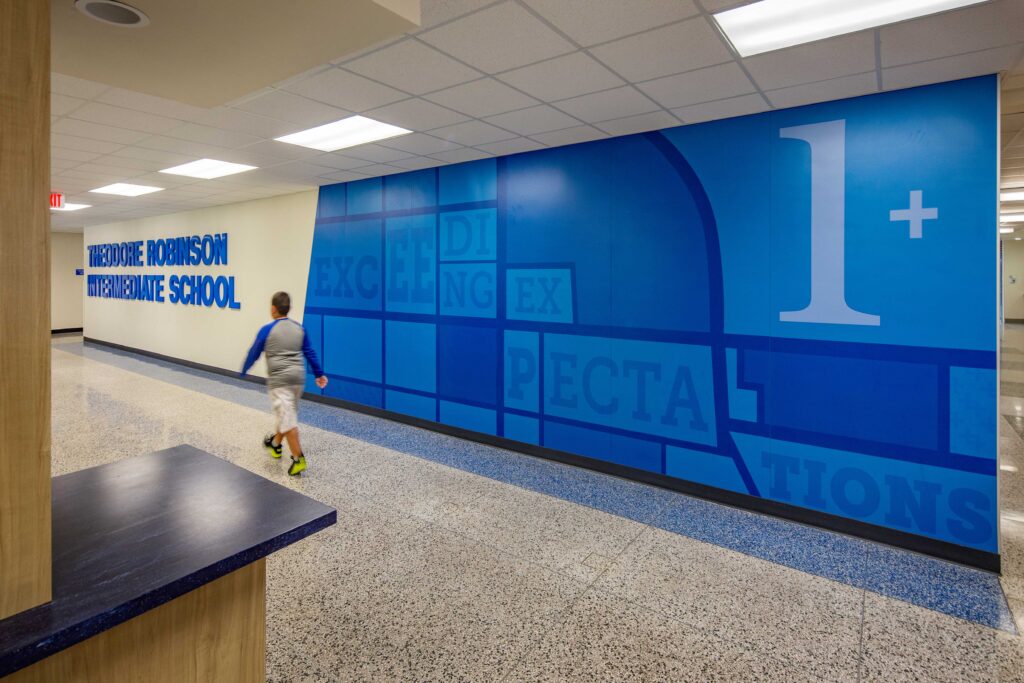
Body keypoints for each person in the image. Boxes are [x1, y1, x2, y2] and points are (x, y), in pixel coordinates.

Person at [241, 291, 327, 475]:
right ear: (288, 309)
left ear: (273, 309)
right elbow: (309, 352)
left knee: (288, 419)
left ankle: (298, 458)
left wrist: (244, 369)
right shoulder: (299, 328)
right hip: (298, 380)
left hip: (280, 381)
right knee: (286, 414)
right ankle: (275, 444)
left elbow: (254, 352)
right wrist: (319, 374)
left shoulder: (267, 330)